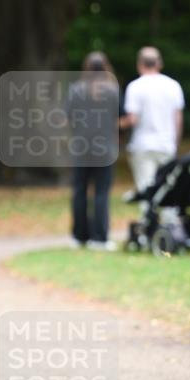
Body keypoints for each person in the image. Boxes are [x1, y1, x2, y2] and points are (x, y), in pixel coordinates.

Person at [67, 52, 120, 251]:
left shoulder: (76, 89)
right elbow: (120, 118)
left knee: (79, 192)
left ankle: (79, 236)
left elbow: (67, 118)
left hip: (81, 147)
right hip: (105, 149)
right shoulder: (112, 90)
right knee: (101, 193)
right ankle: (100, 238)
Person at [120, 47, 185, 196]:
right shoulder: (173, 85)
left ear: (139, 64)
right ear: (159, 63)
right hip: (166, 144)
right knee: (167, 191)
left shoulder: (135, 87)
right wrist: (175, 143)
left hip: (142, 146)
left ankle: (149, 211)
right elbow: (178, 119)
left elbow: (132, 120)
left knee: (146, 191)